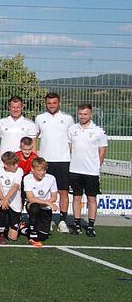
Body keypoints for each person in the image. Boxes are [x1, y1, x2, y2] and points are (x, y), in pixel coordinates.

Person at [35, 92, 74, 233]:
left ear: (59, 103)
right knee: (47, 192)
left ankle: (62, 220)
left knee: (63, 191)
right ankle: (48, 219)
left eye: (54, 103)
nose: (52, 105)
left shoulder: (68, 119)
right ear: (46, 103)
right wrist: (36, 156)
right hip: (45, 161)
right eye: (49, 103)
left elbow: (72, 139)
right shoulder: (40, 118)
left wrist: (69, 155)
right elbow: (35, 137)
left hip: (63, 161)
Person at [68, 103, 108, 237]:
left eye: (85, 114)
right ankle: (77, 225)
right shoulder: (72, 129)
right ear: (77, 114)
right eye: (80, 114)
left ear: (91, 114)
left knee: (91, 199)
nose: (83, 116)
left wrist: (95, 166)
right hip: (75, 170)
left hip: (91, 172)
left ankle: (91, 226)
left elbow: (102, 152)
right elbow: (70, 148)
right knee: (76, 198)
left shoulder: (99, 131)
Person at [23, 157, 58, 247]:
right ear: (32, 169)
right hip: (33, 205)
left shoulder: (51, 178)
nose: (42, 173)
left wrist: (46, 203)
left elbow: (54, 197)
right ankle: (33, 236)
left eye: (44, 170)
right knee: (34, 207)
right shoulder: (27, 178)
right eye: (39, 170)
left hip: (45, 208)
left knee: (43, 236)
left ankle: (25, 228)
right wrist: (47, 202)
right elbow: (30, 198)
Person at [0, 95, 38, 162]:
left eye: (18, 107)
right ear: (9, 107)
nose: (15, 110)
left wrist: (33, 162)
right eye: (13, 107)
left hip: (22, 164)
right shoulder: (1, 122)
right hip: (4, 163)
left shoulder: (30, 124)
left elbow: (33, 146)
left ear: (22, 107)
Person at [0, 151, 24, 245]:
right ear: (6, 165)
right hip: (2, 200)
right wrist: (3, 200)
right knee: (3, 207)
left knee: (13, 237)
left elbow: (15, 186)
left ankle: (17, 225)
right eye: (13, 164)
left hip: (15, 203)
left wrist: (5, 199)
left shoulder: (19, 170)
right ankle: (1, 233)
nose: (16, 165)